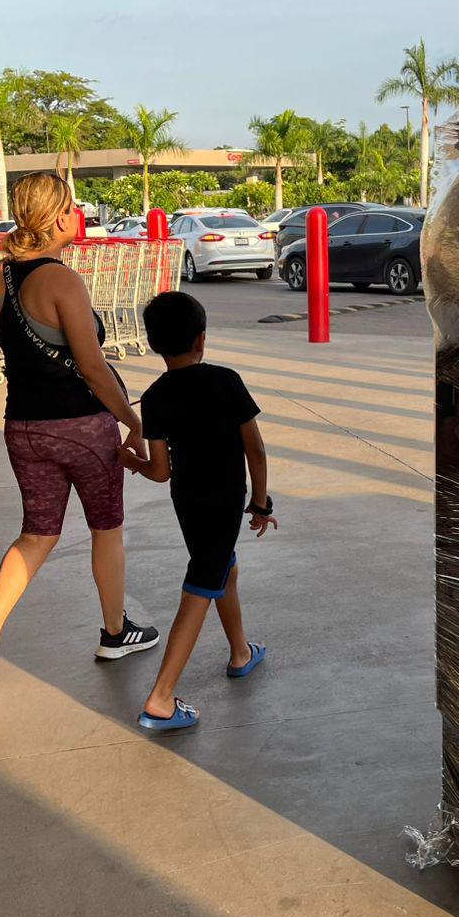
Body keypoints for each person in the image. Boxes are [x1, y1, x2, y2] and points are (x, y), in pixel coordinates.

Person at [0, 172, 159, 685]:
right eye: (72, 205)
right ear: (55, 217)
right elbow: (91, 366)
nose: (79, 214)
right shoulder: (62, 280)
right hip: (80, 427)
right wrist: (132, 421)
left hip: (23, 426)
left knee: (37, 533)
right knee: (106, 528)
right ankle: (116, 633)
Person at [118, 291, 277, 732]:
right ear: (201, 339)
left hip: (188, 504)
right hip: (224, 502)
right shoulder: (227, 381)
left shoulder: (154, 397)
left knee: (223, 569)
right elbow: (256, 449)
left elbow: (160, 471)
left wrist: (131, 461)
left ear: (154, 343)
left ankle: (241, 652)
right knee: (200, 587)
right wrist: (260, 502)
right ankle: (161, 698)